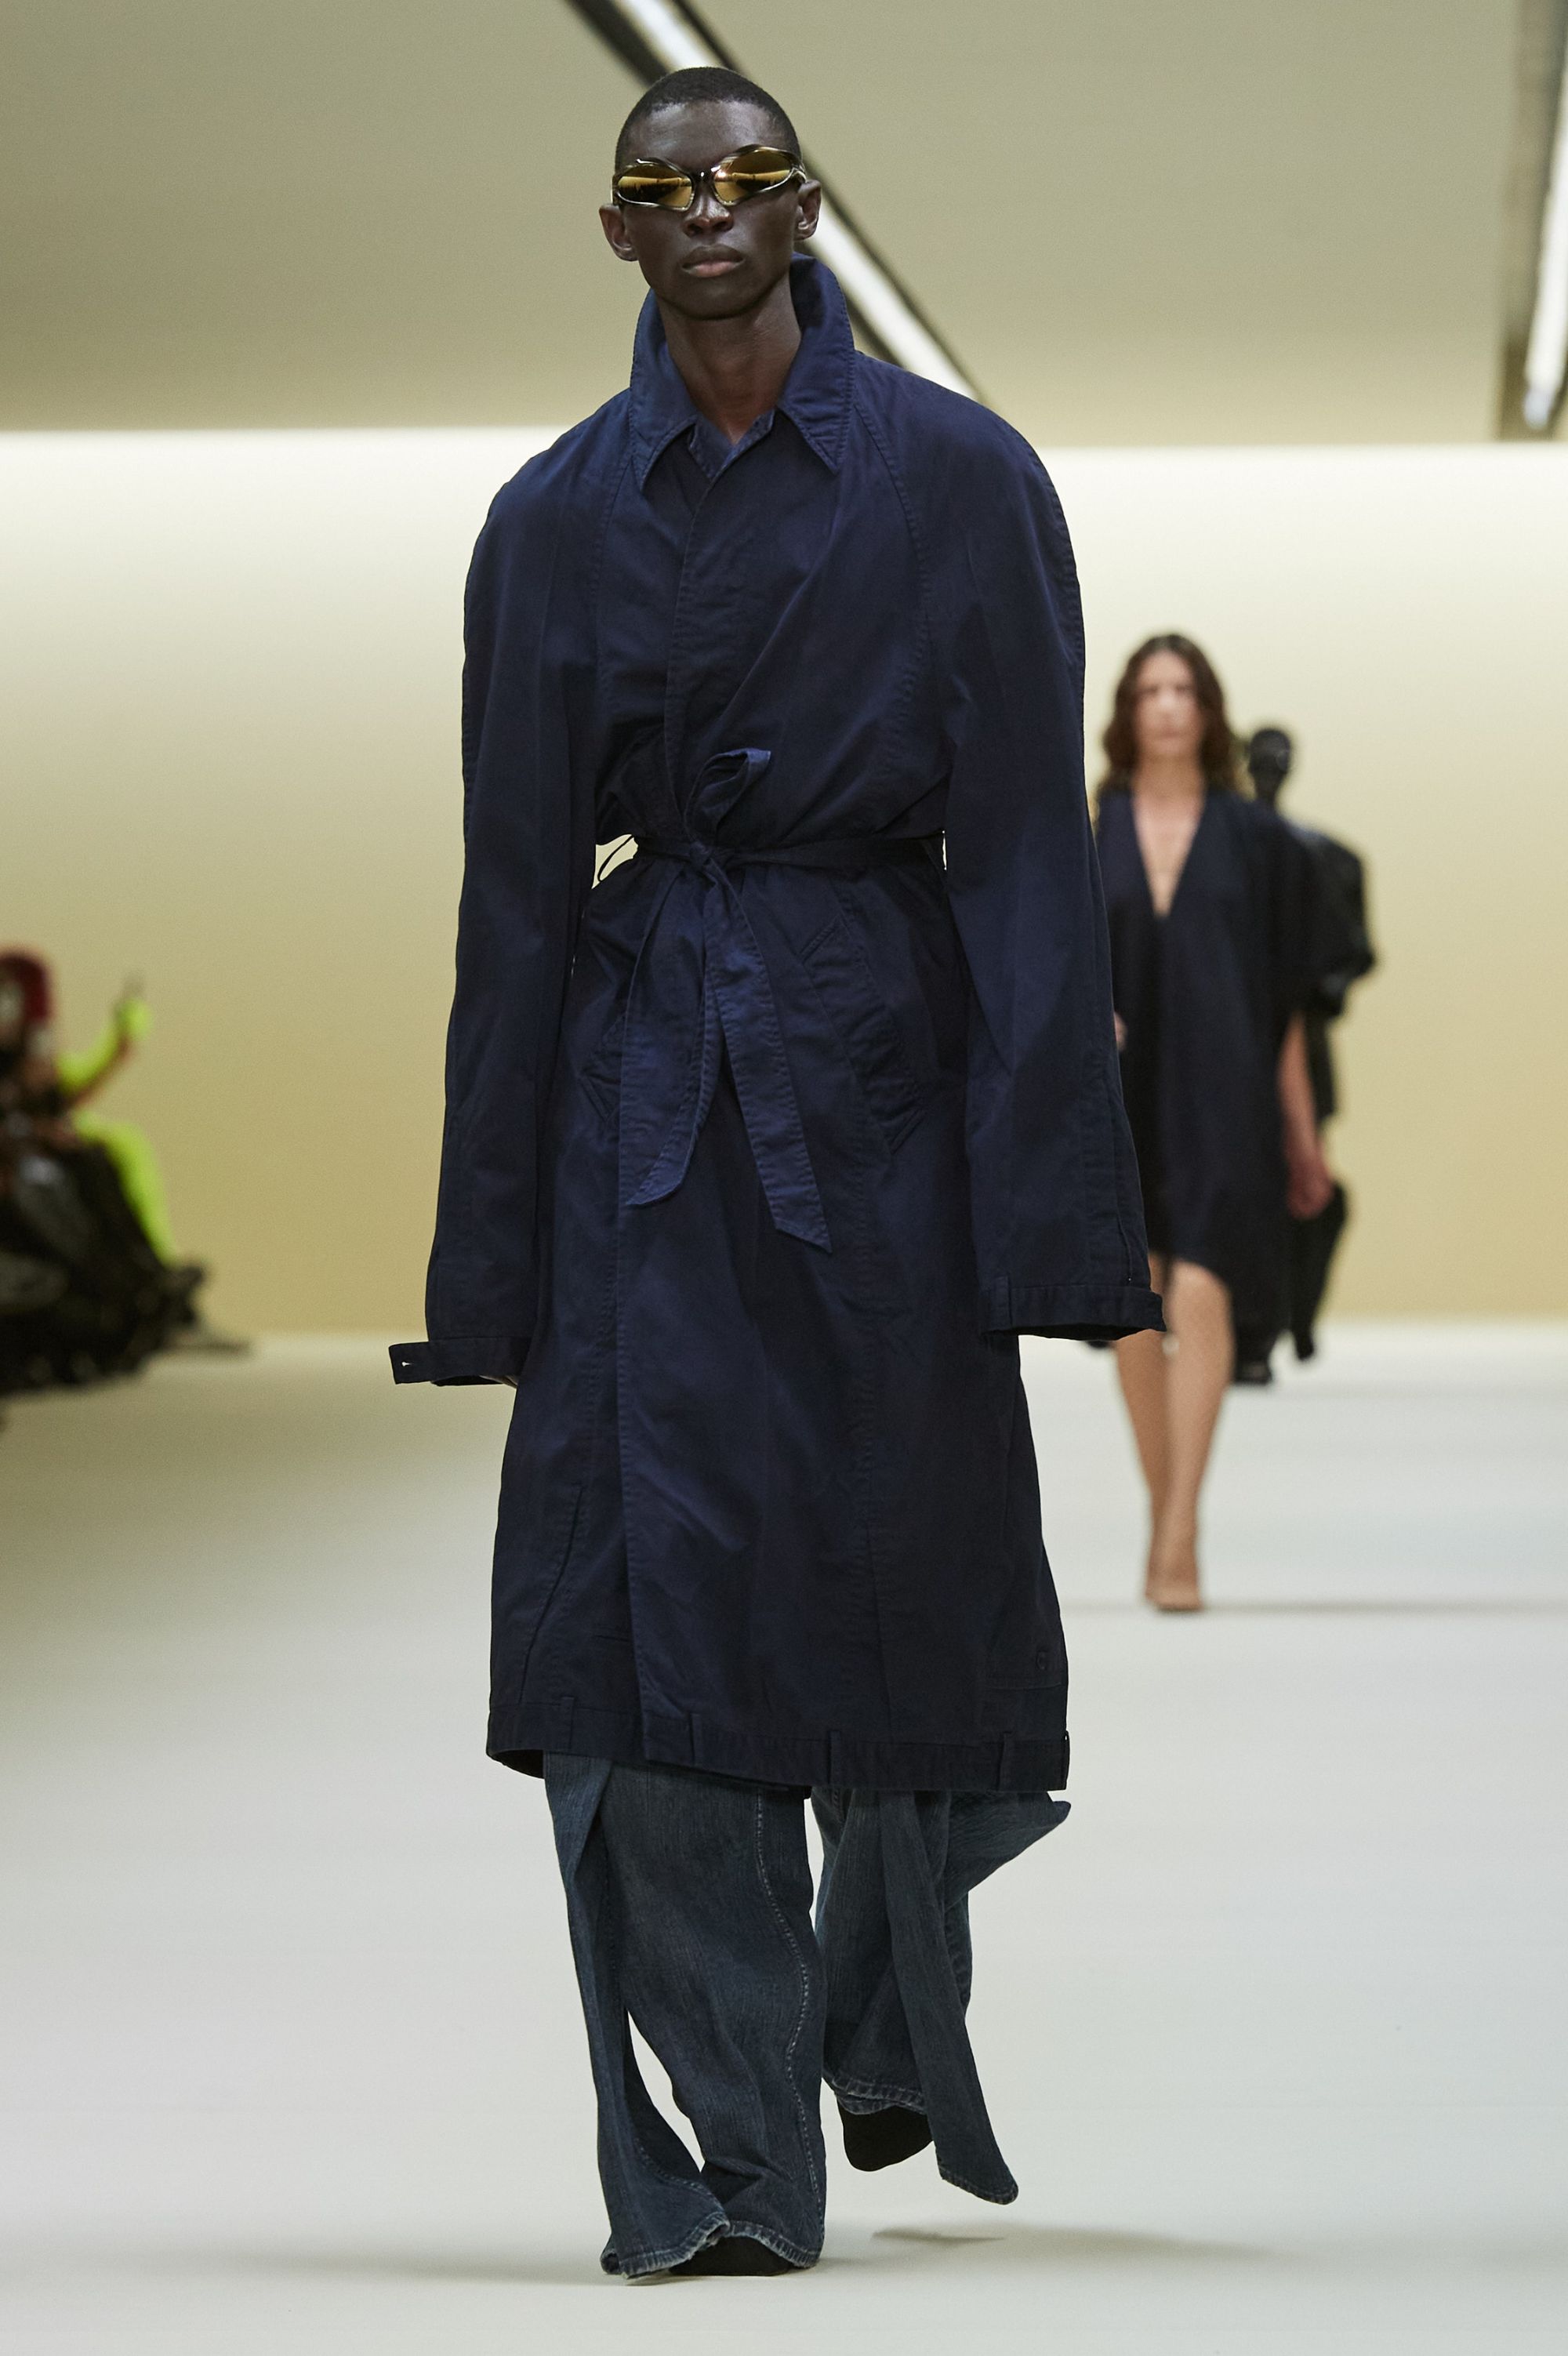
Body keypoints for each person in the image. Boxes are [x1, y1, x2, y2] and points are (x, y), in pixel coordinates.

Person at [392, 67, 1158, 2278]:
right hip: (641, 1087)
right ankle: (738, 2149)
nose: (708, 210)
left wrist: (1050, 1218)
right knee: (633, 1610)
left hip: (879, 1073)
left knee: (898, 1576)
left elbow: (1023, 866)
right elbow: (512, 897)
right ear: (615, 231)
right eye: (666, 185)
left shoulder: (961, 479)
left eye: (745, 178)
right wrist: (488, 1259)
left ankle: (878, 2010)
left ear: (806, 210)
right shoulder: (552, 516)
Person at [1094, 640, 1342, 1611]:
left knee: (1199, 1292)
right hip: (1119, 1096)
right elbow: (1059, 968)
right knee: (1132, 1306)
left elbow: (1284, 1007)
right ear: (1127, 709)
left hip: (1224, 1094)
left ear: (1208, 709)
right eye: (1149, 690)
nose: (1166, 705)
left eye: (1182, 689)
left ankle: (1179, 1531)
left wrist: (1302, 1134)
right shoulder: (1092, 828)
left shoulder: (1255, 841)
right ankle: (1163, 1514)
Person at [1245, 726, 1377, 1364]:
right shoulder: (1226, 849)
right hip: (1228, 1034)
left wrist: (1304, 991)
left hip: (1297, 1039)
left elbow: (1354, 953)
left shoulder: (1329, 858)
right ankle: (1256, 1328)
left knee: (1306, 1179)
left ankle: (1290, 1318)